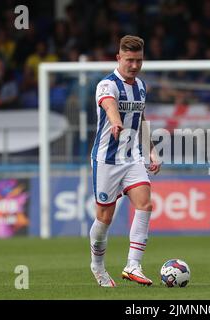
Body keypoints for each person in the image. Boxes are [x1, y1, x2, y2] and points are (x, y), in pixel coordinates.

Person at [89, 35, 160, 287]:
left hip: (132, 157)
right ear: (118, 58)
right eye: (129, 60)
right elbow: (109, 106)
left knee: (145, 204)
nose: (134, 65)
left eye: (138, 60)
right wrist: (116, 120)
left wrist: (151, 149)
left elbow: (140, 120)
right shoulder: (107, 85)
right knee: (104, 218)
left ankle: (133, 265)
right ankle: (97, 266)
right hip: (106, 160)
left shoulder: (141, 86)